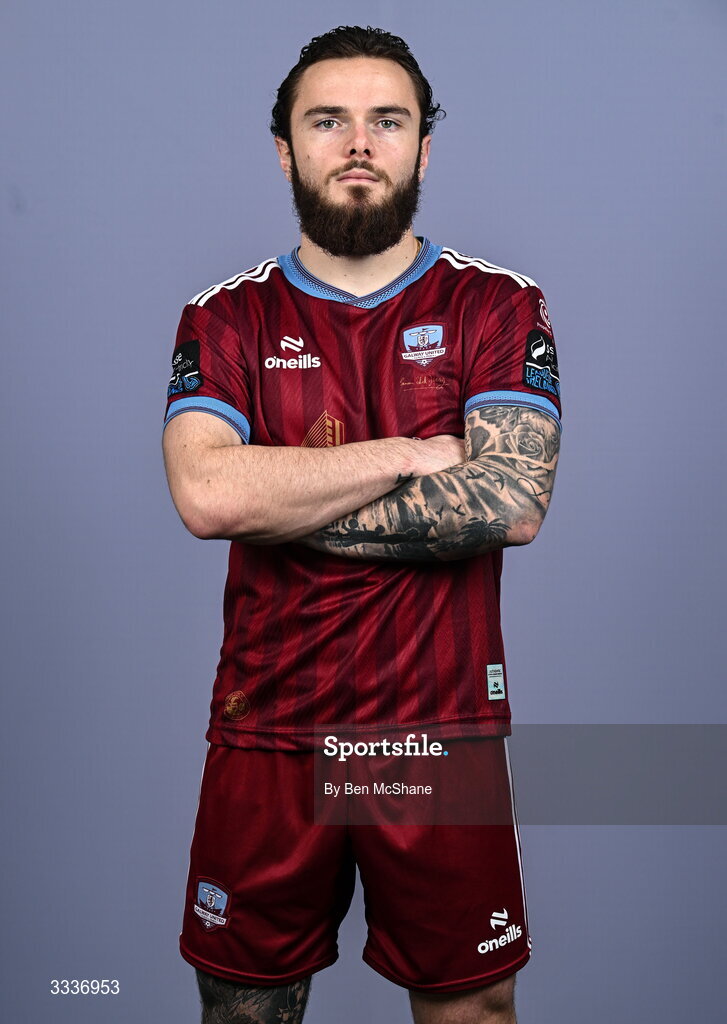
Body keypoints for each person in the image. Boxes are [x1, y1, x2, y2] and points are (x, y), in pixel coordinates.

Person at [162, 25, 561, 1024]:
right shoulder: (224, 319)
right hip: (270, 730)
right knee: (242, 1010)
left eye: (387, 120)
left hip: (439, 736)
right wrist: (401, 451)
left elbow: (506, 503)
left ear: (423, 147)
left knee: (474, 1008)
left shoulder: (494, 306)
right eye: (326, 119)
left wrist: (280, 495)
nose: (357, 142)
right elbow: (208, 497)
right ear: (285, 147)